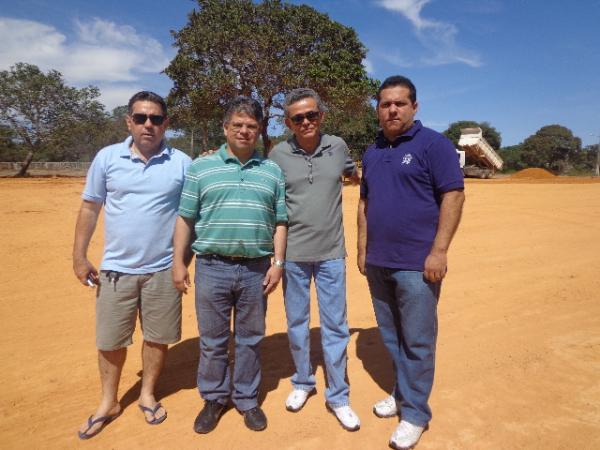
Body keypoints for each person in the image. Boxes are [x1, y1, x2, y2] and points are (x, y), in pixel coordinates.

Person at [72, 91, 192, 440]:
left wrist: (183, 261)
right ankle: (108, 402)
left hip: (163, 269)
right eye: (140, 118)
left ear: (166, 123)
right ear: (129, 121)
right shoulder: (107, 158)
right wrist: (79, 256)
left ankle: (147, 393)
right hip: (115, 270)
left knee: (157, 338)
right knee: (110, 340)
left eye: (156, 118)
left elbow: (192, 213)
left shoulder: (182, 162)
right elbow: (90, 208)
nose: (148, 124)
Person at [357, 75, 465, 449]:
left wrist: (439, 251)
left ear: (414, 107)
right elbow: (364, 202)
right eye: (385, 103)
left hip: (418, 264)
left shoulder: (434, 145)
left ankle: (416, 414)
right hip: (378, 262)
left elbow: (453, 196)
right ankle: (402, 393)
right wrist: (362, 247)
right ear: (378, 109)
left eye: (399, 103)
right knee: (392, 336)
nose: (392, 109)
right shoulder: (371, 151)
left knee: (418, 340)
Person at [172, 96, 288, 434]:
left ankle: (247, 399)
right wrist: (178, 262)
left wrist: (277, 263)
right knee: (212, 340)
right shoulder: (200, 168)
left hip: (256, 269)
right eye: (237, 124)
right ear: (225, 128)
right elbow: (185, 218)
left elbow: (281, 221)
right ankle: (214, 397)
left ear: (259, 131)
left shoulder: (272, 171)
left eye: (251, 126)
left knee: (251, 338)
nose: (244, 131)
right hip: (211, 267)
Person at [269, 88, 361, 431]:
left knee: (336, 326)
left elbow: (353, 174)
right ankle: (303, 382)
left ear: (321, 115)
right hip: (292, 255)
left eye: (311, 115)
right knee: (297, 324)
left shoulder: (337, 147)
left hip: (331, 255)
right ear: (288, 123)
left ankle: (339, 395)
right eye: (298, 118)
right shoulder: (277, 154)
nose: (306, 122)